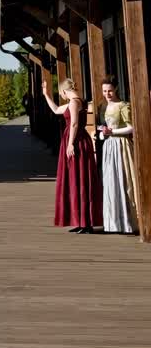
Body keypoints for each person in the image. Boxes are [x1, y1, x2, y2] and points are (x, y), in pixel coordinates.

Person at [42, 77, 103, 232]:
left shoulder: (75, 102)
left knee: (80, 178)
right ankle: (80, 221)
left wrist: (70, 143)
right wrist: (46, 95)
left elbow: (75, 123)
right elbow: (56, 110)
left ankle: (85, 223)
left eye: (61, 93)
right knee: (75, 179)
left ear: (63, 91)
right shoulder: (72, 103)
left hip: (77, 142)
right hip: (74, 140)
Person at [99, 76, 138, 234]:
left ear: (115, 89)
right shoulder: (104, 107)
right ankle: (113, 223)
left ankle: (128, 222)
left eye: (109, 90)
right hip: (109, 147)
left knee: (124, 180)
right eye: (104, 91)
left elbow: (131, 127)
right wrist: (103, 134)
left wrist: (112, 131)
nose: (107, 94)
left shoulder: (123, 105)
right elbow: (105, 128)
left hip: (121, 146)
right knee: (110, 182)